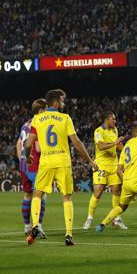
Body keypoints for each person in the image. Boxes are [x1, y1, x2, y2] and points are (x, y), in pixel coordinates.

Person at [25, 89, 98, 246]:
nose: (64, 103)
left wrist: (28, 156)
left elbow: (28, 143)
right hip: (63, 161)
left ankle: (36, 225)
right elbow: (76, 143)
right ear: (56, 102)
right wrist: (90, 161)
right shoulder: (65, 118)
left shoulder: (37, 119)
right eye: (63, 100)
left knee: (37, 193)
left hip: (46, 161)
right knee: (66, 197)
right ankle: (68, 235)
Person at [83, 111, 127, 230]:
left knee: (117, 191)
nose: (115, 121)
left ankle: (117, 219)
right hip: (101, 165)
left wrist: (126, 153)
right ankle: (90, 218)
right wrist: (116, 142)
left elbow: (117, 146)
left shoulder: (114, 130)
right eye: (113, 119)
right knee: (98, 192)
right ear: (107, 120)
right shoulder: (98, 131)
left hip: (114, 166)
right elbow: (101, 146)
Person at [16, 98, 47, 237]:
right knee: (41, 195)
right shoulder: (40, 123)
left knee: (27, 194)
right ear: (41, 111)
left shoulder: (25, 124)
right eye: (46, 110)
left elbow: (18, 144)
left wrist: (21, 159)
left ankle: (26, 226)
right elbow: (38, 147)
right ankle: (38, 226)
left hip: (24, 164)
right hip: (35, 164)